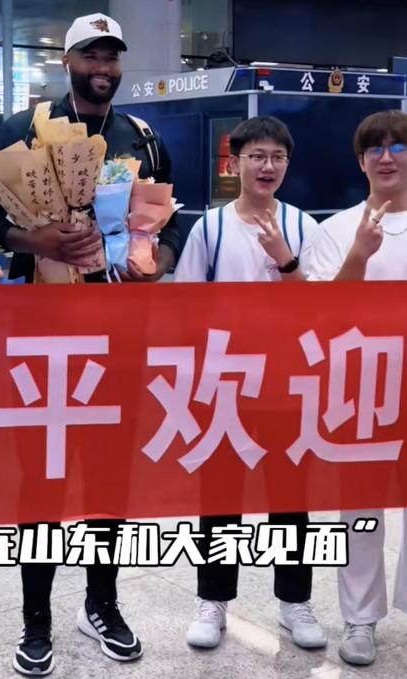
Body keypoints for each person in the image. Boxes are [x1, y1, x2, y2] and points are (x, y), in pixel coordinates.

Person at [0, 12, 181, 676]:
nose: (102, 67)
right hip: (42, 334)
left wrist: (156, 260)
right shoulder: (21, 130)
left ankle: (102, 603)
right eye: (90, 54)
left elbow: (170, 220)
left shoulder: (142, 138)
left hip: (118, 332)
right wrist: (34, 240)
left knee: (108, 474)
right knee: (40, 475)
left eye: (111, 56)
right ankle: (35, 618)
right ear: (67, 62)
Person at [174, 116, 327, 651]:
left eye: (277, 157)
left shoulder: (305, 227)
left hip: (287, 383)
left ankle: (294, 602)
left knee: (290, 496)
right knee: (220, 497)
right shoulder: (210, 228)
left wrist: (285, 260)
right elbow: (186, 308)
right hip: (225, 383)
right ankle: (213, 601)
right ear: (234, 162)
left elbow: (320, 310)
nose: (267, 166)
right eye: (257, 156)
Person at [302, 109, 407, 666]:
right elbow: (323, 317)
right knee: (360, 508)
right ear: (361, 161)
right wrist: (360, 256)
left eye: (399, 147)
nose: (387, 158)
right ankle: (360, 619)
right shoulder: (337, 230)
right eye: (375, 149)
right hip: (362, 386)